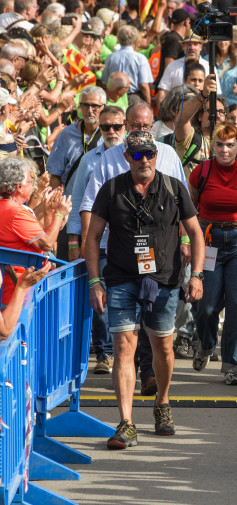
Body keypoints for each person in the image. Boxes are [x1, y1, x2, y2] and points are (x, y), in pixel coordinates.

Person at [85, 130, 204, 450]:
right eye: (137, 154)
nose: (144, 160)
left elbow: (195, 232)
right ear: (127, 157)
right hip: (122, 278)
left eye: (149, 153)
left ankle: (162, 404)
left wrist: (198, 276)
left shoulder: (174, 188)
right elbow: (92, 238)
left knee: (163, 347)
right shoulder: (111, 190)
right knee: (124, 346)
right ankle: (125, 422)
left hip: (164, 280)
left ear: (156, 154)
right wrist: (95, 282)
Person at [189, 124, 237, 385]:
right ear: (212, 146)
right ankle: (205, 344)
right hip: (209, 241)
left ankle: (233, 366)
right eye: (219, 144)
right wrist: (187, 241)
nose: (224, 150)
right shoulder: (201, 171)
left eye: (230, 145)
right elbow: (189, 209)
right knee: (205, 305)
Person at [68, 105, 126, 375]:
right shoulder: (89, 160)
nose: (112, 132)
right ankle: (104, 353)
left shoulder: (134, 156)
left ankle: (125, 352)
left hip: (128, 242)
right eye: (106, 127)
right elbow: (78, 201)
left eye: (116, 126)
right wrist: (74, 241)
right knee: (100, 296)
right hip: (99, 243)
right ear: (99, 129)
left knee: (125, 298)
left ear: (125, 126)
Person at [0, 157, 71, 306]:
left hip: (18, 292)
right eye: (31, 182)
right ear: (19, 187)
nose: (34, 187)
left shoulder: (11, 209)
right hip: (19, 296)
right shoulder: (15, 212)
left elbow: (38, 237)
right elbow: (46, 244)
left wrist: (49, 212)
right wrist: (59, 214)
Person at [47, 85, 106, 191]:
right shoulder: (67, 134)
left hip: (101, 202)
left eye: (95, 106)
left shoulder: (111, 133)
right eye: (85, 105)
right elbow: (55, 173)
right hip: (72, 202)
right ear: (79, 106)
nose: (89, 110)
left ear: (104, 108)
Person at [101, 25, 154, 105]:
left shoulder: (110, 57)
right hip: (134, 99)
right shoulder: (140, 58)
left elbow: (105, 81)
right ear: (135, 41)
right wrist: (148, 104)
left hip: (115, 98)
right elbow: (143, 85)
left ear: (118, 39)